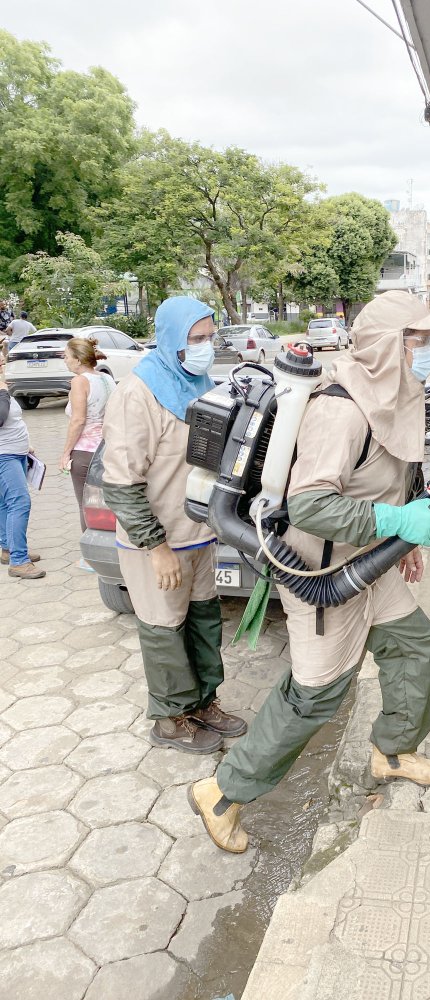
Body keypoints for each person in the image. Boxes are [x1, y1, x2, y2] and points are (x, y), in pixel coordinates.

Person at [189, 290, 430, 853]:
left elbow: (397, 467)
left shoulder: (395, 393)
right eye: (418, 339)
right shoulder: (340, 409)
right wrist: (397, 520)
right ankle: (222, 792)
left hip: (372, 559)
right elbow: (311, 504)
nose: (427, 349)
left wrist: (402, 534)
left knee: (414, 646)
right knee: (314, 696)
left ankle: (392, 752)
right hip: (322, 574)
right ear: (389, 345)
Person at [101, 297, 247, 754]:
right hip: (158, 544)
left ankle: (204, 702)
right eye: (195, 339)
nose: (205, 348)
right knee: (165, 630)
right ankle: (170, 718)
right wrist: (156, 547)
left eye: (209, 337)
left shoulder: (200, 383)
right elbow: (122, 483)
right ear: (169, 340)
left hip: (200, 534)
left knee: (203, 622)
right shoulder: (137, 393)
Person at [59, 338, 116, 565]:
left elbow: (78, 419)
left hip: (84, 452)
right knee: (109, 502)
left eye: (66, 356)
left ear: (78, 359)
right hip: (108, 449)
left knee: (87, 504)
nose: (64, 360)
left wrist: (65, 453)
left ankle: (92, 558)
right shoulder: (107, 378)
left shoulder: (80, 382)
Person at [0, 375, 44, 579]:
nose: (3, 366)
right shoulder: (1, 390)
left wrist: (25, 446)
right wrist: (2, 391)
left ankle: (9, 549)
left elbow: (13, 420)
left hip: (15, 453)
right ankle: (18, 561)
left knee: (5, 503)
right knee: (19, 502)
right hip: (4, 456)